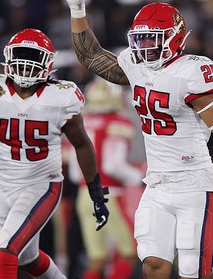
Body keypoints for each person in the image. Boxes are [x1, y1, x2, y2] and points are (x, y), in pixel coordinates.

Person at [63, 0, 213, 279]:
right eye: (140, 39)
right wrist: (78, 9)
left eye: (152, 39)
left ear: (175, 38)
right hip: (157, 183)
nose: (144, 47)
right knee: (153, 267)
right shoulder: (136, 66)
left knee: (194, 273)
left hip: (197, 182)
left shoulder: (192, 73)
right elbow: (91, 56)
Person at [0, 28, 110, 279]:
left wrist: (96, 191)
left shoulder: (59, 98)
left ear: (47, 64)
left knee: (5, 250)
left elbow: (81, 144)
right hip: (3, 187)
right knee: (27, 259)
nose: (25, 64)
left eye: (33, 57)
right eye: (21, 56)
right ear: (8, 58)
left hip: (41, 185)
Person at [67, 78, 144, 279]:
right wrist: (140, 178)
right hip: (108, 195)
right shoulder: (117, 123)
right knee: (128, 253)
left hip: (84, 194)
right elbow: (113, 165)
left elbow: (75, 172)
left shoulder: (82, 121)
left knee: (97, 258)